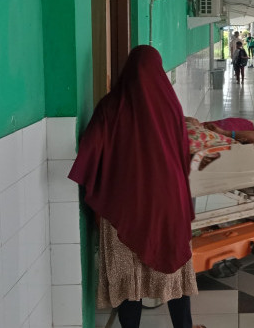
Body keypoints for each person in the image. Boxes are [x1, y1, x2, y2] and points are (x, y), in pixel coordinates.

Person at [68, 46, 205, 328]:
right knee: (174, 271)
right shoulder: (170, 105)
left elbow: (89, 150)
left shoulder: (110, 106)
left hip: (124, 209)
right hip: (167, 206)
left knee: (129, 282)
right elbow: (183, 153)